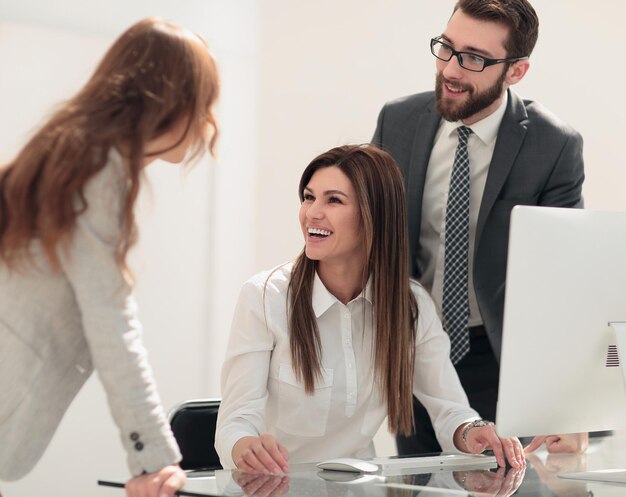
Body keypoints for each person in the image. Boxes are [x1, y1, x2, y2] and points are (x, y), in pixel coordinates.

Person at [0, 17, 220, 497]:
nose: (209, 124)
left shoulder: (73, 152)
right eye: (203, 105)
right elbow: (110, 321)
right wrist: (154, 460)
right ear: (168, 101)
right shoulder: (97, 169)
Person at [215, 144, 525, 475]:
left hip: (358, 486)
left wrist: (472, 431)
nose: (312, 213)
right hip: (274, 487)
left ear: (373, 214)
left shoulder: (410, 305)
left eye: (333, 200)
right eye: (308, 197)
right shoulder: (265, 297)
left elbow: (450, 409)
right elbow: (235, 423)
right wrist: (245, 447)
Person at [371, 0, 586, 456]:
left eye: (473, 58)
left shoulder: (553, 145)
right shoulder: (398, 121)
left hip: (499, 357)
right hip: (414, 350)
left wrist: (569, 405)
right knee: (419, 480)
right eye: (446, 48)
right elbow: (366, 231)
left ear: (516, 71)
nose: (450, 69)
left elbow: (567, 278)